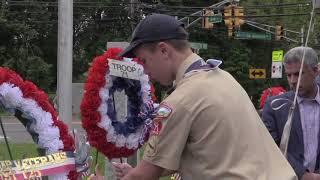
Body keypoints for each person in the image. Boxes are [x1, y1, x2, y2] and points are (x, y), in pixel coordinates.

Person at [91, 14, 297, 180]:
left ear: (164, 50)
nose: (144, 70)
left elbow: (146, 175)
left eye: (144, 60)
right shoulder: (223, 77)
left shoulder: (181, 99)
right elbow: (207, 154)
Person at [262, 46, 320, 180]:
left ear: (316, 70)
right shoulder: (274, 106)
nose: (293, 81)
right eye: (289, 75)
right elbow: (270, 146)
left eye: (299, 74)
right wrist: (303, 175)